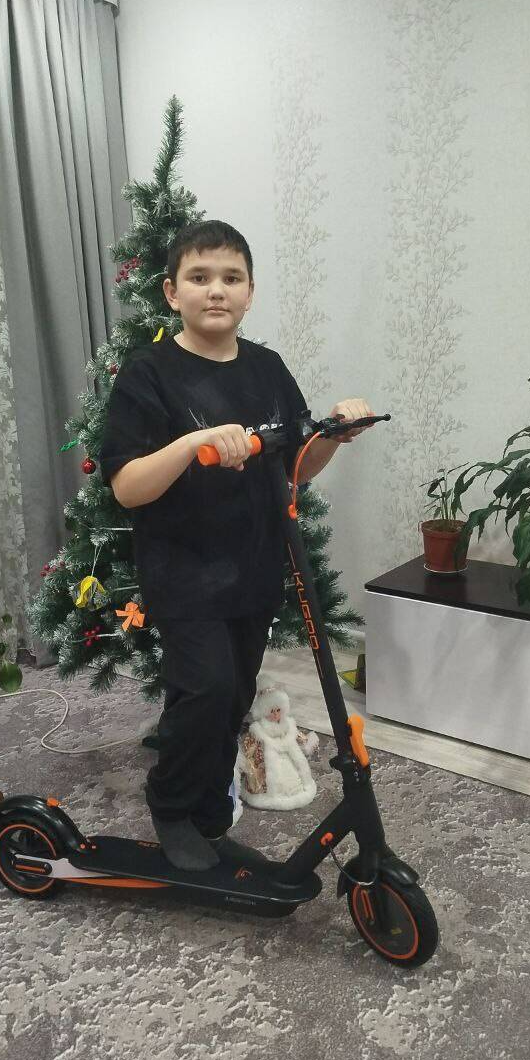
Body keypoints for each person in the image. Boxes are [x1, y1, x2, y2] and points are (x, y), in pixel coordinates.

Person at [99, 220, 374, 870]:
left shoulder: (267, 369)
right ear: (172, 293)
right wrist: (193, 443)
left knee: (233, 694)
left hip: (254, 565)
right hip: (183, 570)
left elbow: (297, 468)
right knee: (205, 690)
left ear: (250, 293)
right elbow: (128, 487)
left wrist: (335, 433)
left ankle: (206, 810)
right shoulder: (148, 374)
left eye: (231, 278)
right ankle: (171, 805)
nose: (216, 290)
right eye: (199, 277)